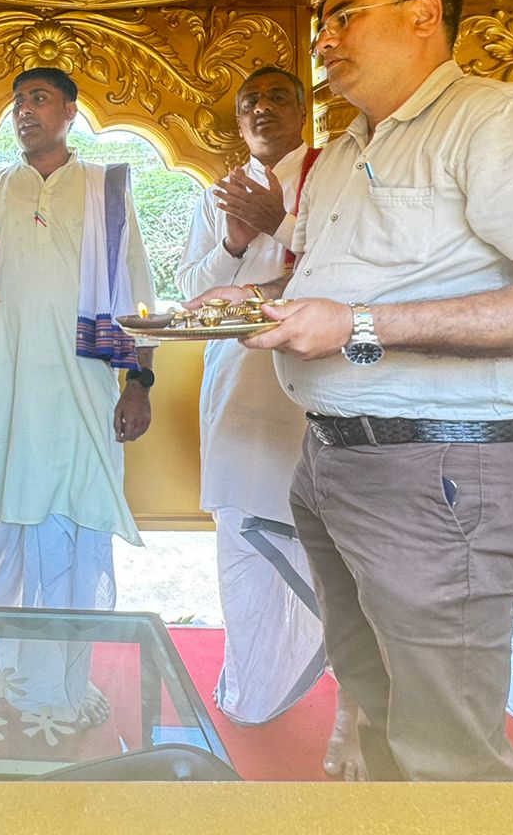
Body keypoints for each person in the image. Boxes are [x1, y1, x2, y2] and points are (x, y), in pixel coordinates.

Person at [194, 0, 513, 781]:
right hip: (332, 457)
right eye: (322, 27)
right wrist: (253, 298)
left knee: (445, 746)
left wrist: (357, 324)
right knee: (377, 702)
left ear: (423, 15)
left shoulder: (499, 122)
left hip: (439, 468)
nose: (323, 41)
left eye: (344, 18)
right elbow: (336, 287)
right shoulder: (345, 153)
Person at [0, 66, 157, 724]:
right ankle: (8, 670)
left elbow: (138, 292)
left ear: (70, 111)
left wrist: (139, 383)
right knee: (3, 523)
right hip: (2, 386)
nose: (24, 111)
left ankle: (65, 683)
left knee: (73, 519)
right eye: (17, 101)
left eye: (39, 99)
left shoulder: (105, 190)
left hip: (80, 389)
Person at [175, 66, 364, 780]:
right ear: (238, 119)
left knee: (330, 542)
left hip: (318, 391)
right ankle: (254, 684)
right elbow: (190, 294)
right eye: (249, 100)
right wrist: (232, 239)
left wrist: (278, 221)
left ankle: (348, 695)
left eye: (278, 95)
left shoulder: (336, 177)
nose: (261, 107)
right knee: (241, 535)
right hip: (237, 387)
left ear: (303, 110)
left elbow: (356, 272)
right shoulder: (217, 193)